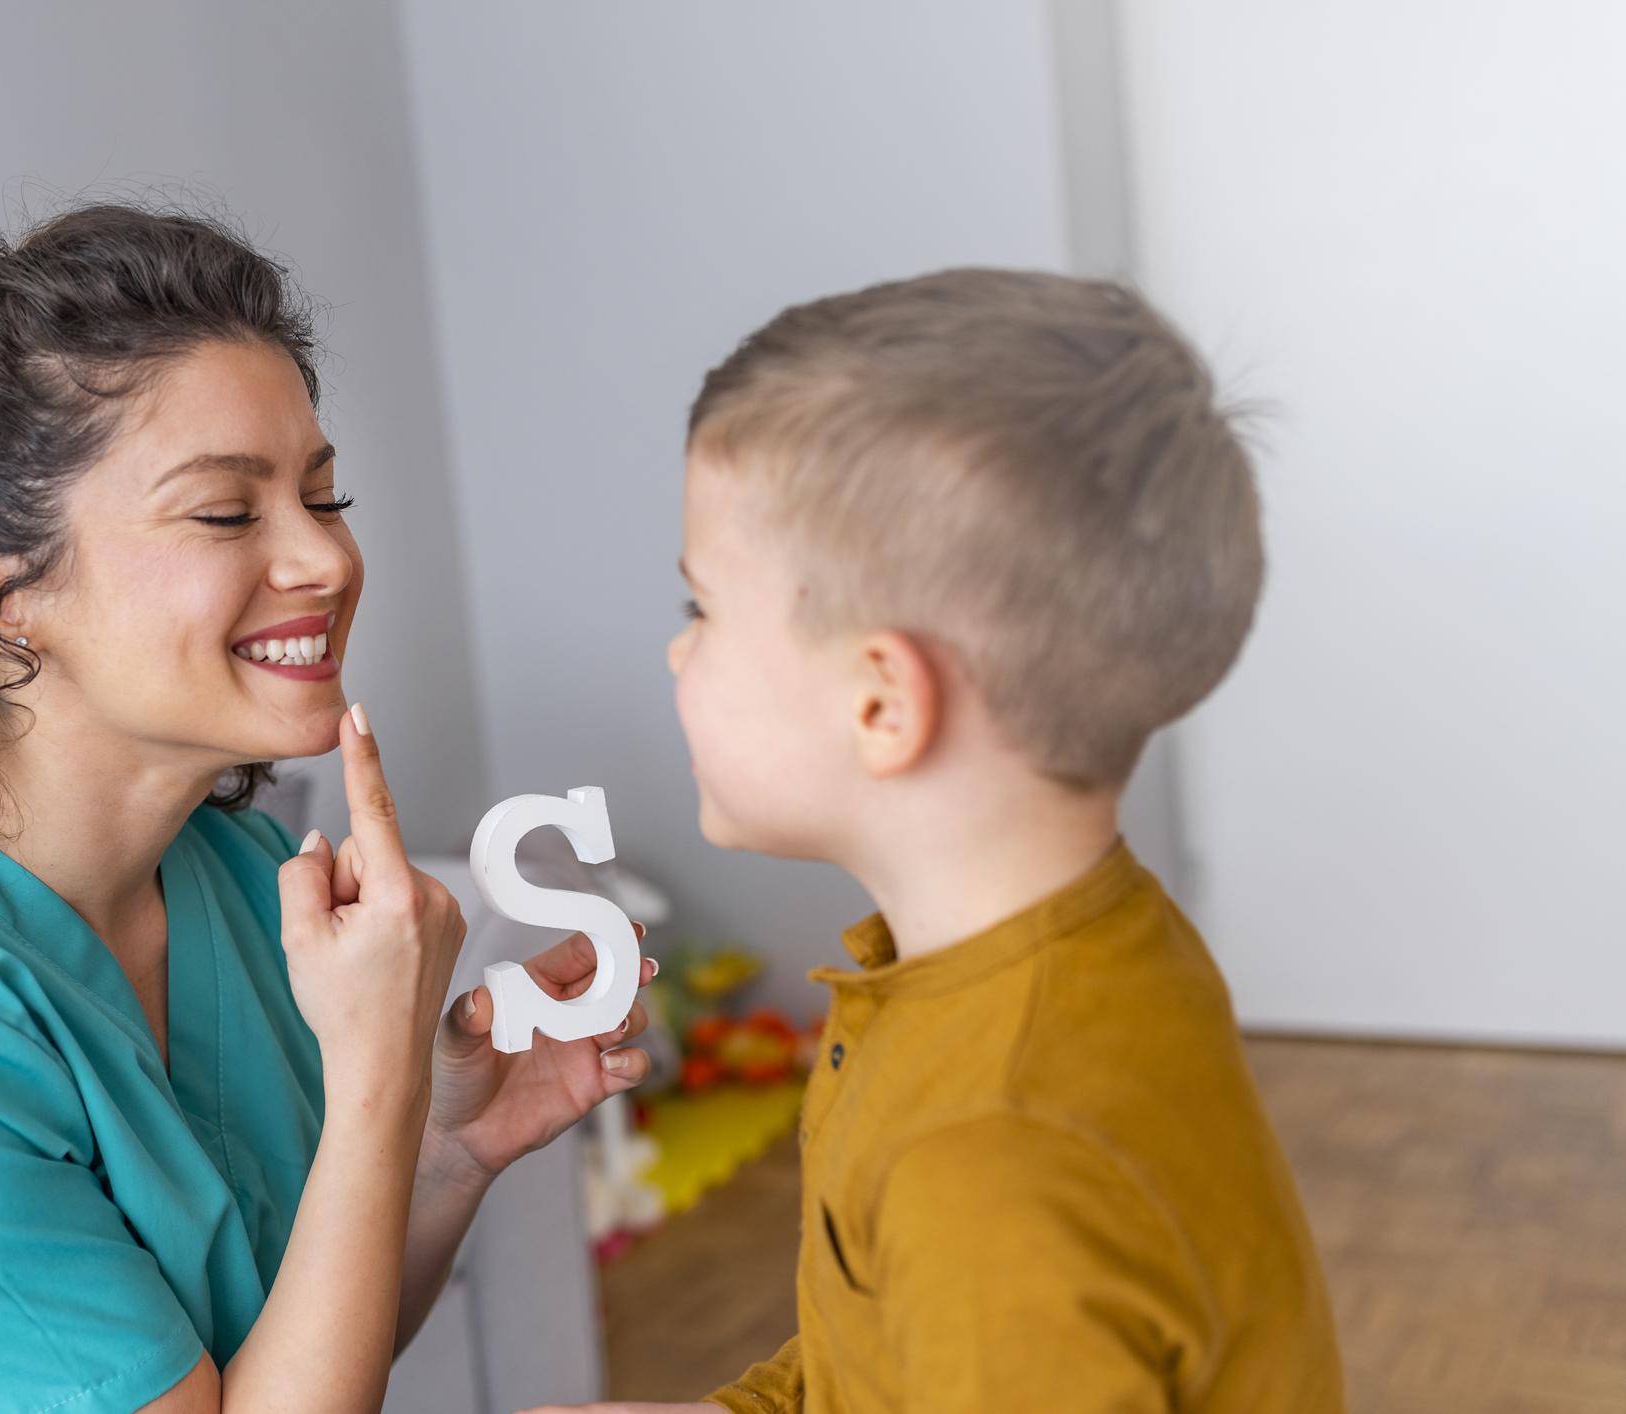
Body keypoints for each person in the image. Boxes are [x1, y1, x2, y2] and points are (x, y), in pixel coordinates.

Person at [0, 203, 656, 1414]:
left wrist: (446, 1149)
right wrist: (372, 1080)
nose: (327, 560)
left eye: (324, 495)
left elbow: (291, 1364)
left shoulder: (236, 876)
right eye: (226, 511)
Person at [530, 270, 1342, 1412]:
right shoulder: (1083, 945)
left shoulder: (994, 1159)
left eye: (698, 611)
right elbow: (890, 1362)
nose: (678, 655)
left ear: (880, 703)